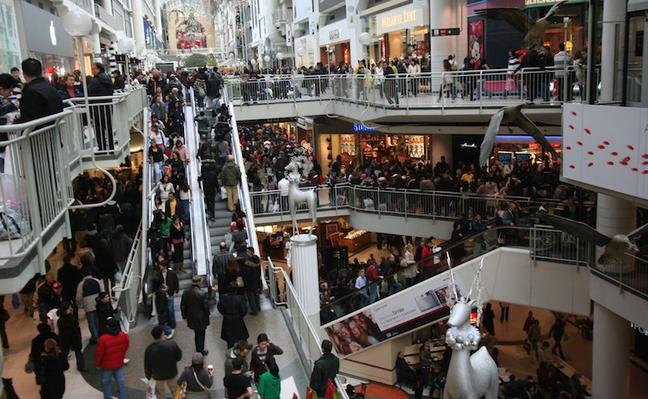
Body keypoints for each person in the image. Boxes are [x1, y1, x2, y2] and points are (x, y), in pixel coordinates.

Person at [17, 58, 63, 122]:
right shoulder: (51, 88)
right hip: (54, 128)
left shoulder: (30, 91)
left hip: (39, 129)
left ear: (24, 74)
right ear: (40, 72)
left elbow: (29, 118)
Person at [145, 325, 183, 399]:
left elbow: (147, 365)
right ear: (162, 334)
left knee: (160, 393)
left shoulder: (149, 349)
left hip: (157, 376)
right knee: (175, 391)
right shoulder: (171, 344)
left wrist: (148, 376)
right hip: (171, 373)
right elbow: (179, 356)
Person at [96, 317, 129, 399]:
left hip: (107, 366)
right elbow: (126, 347)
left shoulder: (103, 339)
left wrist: (98, 364)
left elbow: (99, 354)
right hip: (119, 363)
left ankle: (107, 397)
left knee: (106, 382)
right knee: (121, 382)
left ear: (107, 326)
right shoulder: (124, 336)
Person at [87, 62, 115, 151]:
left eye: (93, 69)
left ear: (98, 69)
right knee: (108, 128)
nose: (92, 71)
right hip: (107, 107)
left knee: (99, 129)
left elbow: (89, 93)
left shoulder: (95, 81)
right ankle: (111, 146)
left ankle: (102, 148)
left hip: (97, 108)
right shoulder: (108, 78)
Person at [181, 276, 211, 355]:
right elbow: (206, 307)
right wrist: (207, 315)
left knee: (196, 333)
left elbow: (183, 306)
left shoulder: (186, 292)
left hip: (191, 317)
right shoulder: (202, 293)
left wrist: (184, 316)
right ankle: (200, 350)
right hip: (201, 318)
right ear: (199, 283)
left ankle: (198, 348)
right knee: (201, 334)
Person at [57, 301, 87, 372]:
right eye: (69, 307)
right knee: (76, 352)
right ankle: (81, 366)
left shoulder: (61, 319)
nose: (71, 309)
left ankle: (62, 366)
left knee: (65, 353)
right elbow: (74, 328)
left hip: (66, 339)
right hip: (72, 338)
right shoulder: (69, 319)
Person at [76, 269, 103, 343]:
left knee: (91, 322)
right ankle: (99, 334)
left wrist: (81, 305)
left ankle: (95, 337)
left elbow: (78, 297)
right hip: (97, 303)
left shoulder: (81, 284)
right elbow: (102, 291)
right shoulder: (96, 280)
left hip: (88, 305)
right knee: (97, 319)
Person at [242, 247, 261, 315]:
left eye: (247, 251)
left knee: (250, 296)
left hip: (250, 281)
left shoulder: (247, 261)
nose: (246, 253)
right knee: (256, 294)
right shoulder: (257, 258)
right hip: (256, 279)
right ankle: (258, 308)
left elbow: (247, 273)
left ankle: (254, 310)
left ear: (249, 252)